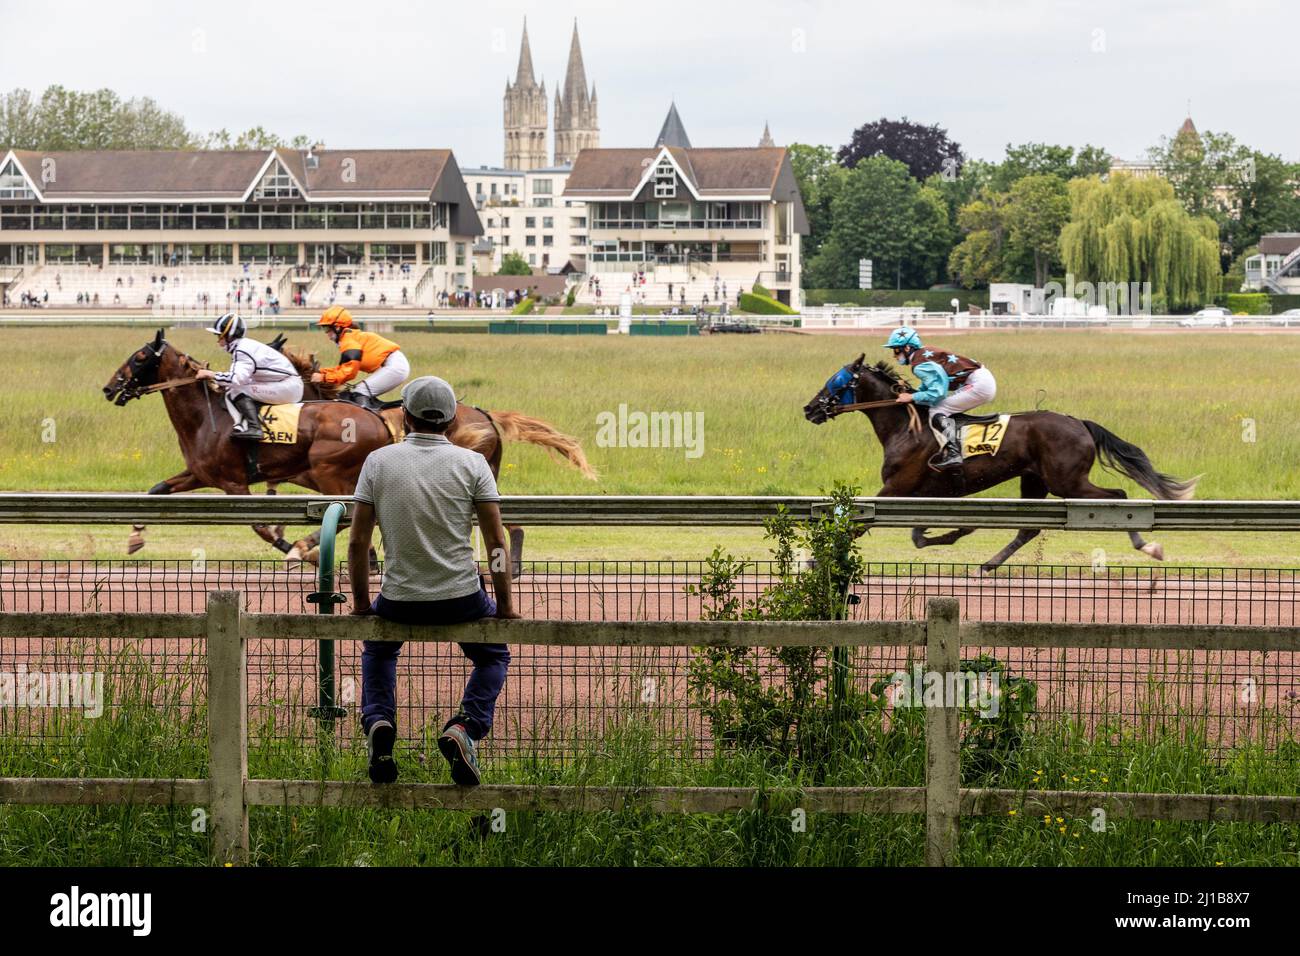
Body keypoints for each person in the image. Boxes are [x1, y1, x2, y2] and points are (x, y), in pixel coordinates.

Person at [348, 376, 519, 785]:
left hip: (398, 597)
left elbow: (357, 542)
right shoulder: (473, 463)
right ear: (453, 420)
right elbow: (496, 541)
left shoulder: (378, 462)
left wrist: (360, 606)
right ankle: (465, 727)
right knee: (493, 655)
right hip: (462, 595)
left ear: (404, 417)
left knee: (379, 650)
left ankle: (379, 724)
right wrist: (506, 607)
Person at [886, 325, 996, 472]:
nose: (894, 355)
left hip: (979, 384)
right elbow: (931, 384)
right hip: (979, 379)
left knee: (938, 409)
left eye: (896, 350)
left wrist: (912, 396)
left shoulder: (918, 365)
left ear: (907, 348)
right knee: (943, 407)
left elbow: (938, 393)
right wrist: (916, 394)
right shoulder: (923, 354)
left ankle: (954, 453)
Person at [195, 312, 303, 441]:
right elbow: (243, 378)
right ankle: (240, 425)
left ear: (229, 336)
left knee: (237, 389)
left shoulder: (242, 350)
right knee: (232, 390)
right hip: (285, 384)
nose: (218, 341)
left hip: (288, 387)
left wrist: (210, 374)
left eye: (219, 336)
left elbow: (236, 380)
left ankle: (254, 428)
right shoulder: (243, 346)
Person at [311, 305, 410, 410]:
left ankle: (371, 422)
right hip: (392, 364)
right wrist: (322, 372)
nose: (326, 333)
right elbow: (342, 369)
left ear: (337, 327)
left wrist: (323, 378)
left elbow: (348, 373)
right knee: (358, 391)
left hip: (394, 366)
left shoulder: (348, 341)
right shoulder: (349, 337)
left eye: (327, 328)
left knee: (360, 391)